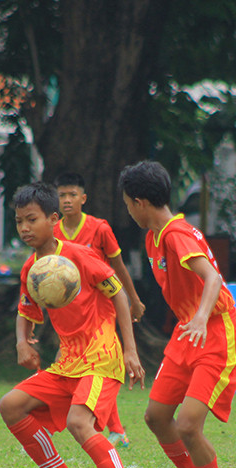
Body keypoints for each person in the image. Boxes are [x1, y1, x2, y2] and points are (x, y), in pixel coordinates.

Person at [0, 182, 148, 468]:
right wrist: (22, 342)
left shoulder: (80, 255)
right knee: (11, 406)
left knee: (80, 422)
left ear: (53, 219)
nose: (24, 228)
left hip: (101, 355)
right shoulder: (31, 269)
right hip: (67, 361)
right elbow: (26, 311)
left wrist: (130, 350)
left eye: (31, 219)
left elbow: (118, 294)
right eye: (19, 220)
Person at [119, 160, 236, 468]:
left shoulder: (177, 235)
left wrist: (203, 316)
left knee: (189, 425)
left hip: (216, 332)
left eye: (128, 203)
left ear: (140, 202)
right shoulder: (153, 236)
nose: (128, 210)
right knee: (156, 416)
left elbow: (211, 279)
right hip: (187, 332)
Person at [54, 172, 145, 448]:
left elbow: (118, 267)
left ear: (83, 198)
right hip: (71, 312)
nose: (67, 200)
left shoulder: (99, 228)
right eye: (62, 195)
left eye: (72, 195)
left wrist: (134, 299)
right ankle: (116, 429)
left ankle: (110, 428)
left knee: (94, 364)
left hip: (102, 307)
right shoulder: (53, 231)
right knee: (78, 365)